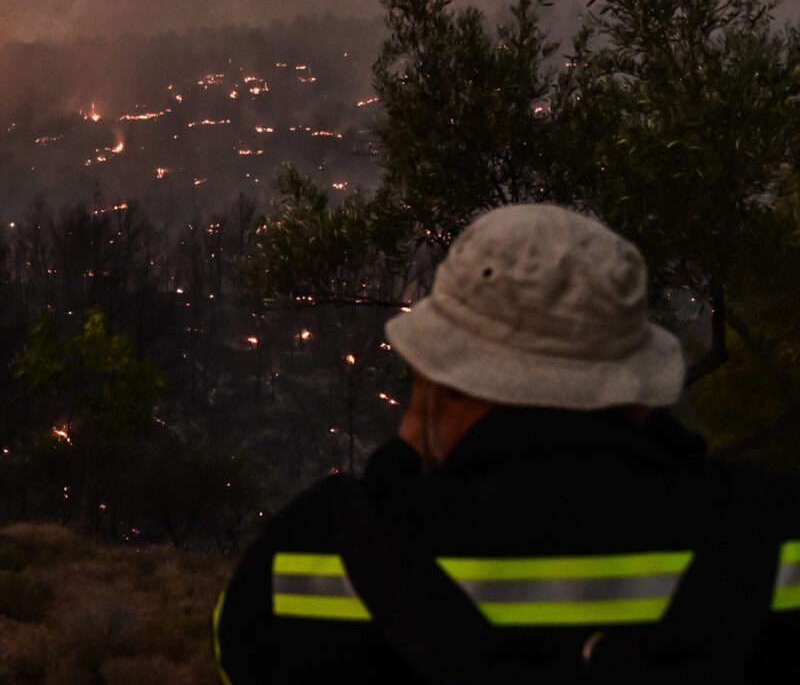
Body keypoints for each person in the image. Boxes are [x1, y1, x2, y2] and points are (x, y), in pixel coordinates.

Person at [213, 204, 800, 683]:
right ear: (640, 389)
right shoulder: (773, 540)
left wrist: (405, 458)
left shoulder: (308, 559)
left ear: (439, 381)